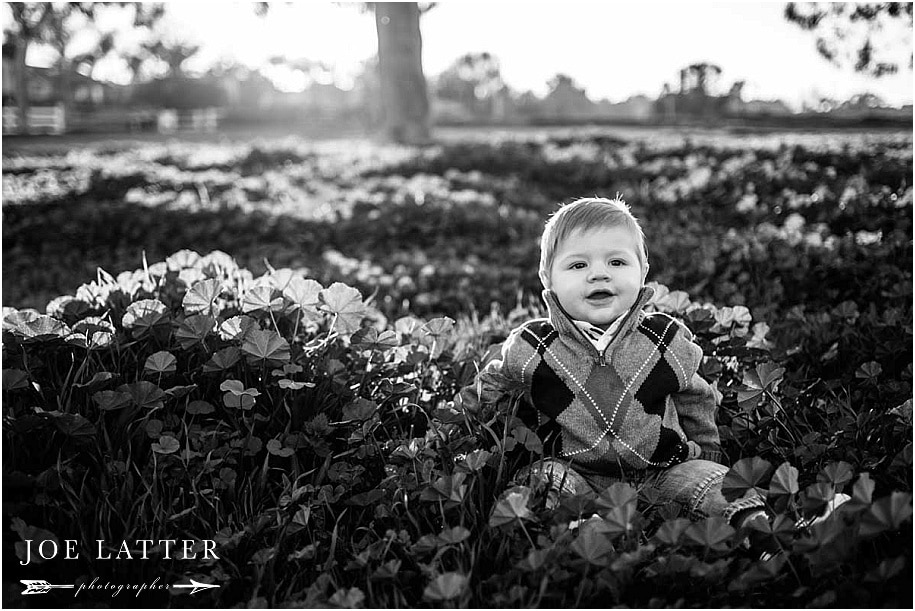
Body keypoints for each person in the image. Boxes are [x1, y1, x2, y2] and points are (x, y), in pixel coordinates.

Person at [455, 196, 767, 526]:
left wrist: (707, 452)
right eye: (578, 265)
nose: (599, 274)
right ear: (548, 277)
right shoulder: (533, 346)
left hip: (662, 473)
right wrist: (453, 433)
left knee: (713, 482)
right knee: (542, 483)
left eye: (617, 262)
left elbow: (696, 400)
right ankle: (572, 537)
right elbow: (490, 389)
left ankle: (759, 528)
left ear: (643, 270)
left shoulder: (664, 338)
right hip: (576, 474)